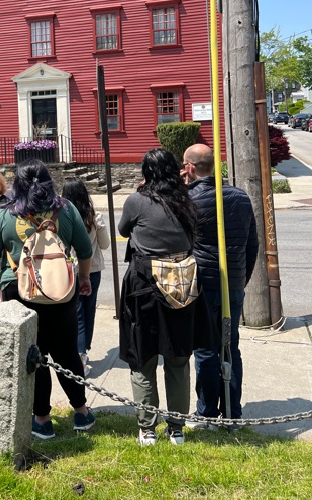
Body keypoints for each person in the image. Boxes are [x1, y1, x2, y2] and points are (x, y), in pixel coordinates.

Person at [0, 159, 96, 440]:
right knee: (68, 353)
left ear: (17, 183)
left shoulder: (4, 214)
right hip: (61, 291)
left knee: (34, 357)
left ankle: (42, 419)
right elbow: (84, 250)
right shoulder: (66, 209)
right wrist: (83, 279)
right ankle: (81, 412)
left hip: (19, 291)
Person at [118, 148, 216, 447]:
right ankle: (176, 428)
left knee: (143, 357)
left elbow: (123, 229)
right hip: (182, 283)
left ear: (147, 173)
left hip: (145, 284)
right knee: (177, 359)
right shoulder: (186, 200)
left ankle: (147, 428)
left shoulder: (137, 201)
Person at [182, 143, 258, 428]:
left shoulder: (189, 199)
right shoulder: (240, 196)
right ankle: (232, 411)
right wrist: (242, 277)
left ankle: (206, 412)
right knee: (231, 346)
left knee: (204, 348)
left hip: (203, 283)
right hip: (234, 281)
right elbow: (253, 244)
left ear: (189, 168)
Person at [61, 177, 109, 376]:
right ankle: (83, 350)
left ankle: (79, 352)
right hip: (93, 268)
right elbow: (105, 244)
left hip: (68, 269)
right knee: (89, 311)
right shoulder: (93, 216)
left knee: (76, 313)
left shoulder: (62, 215)